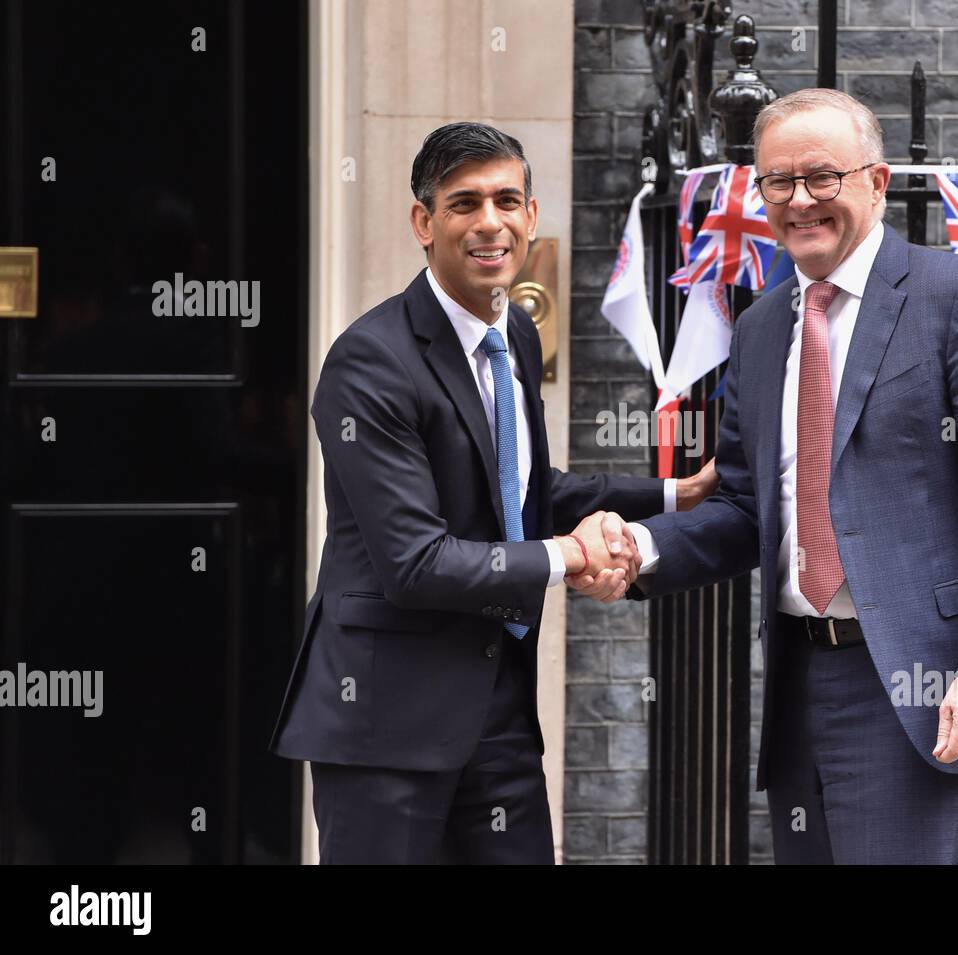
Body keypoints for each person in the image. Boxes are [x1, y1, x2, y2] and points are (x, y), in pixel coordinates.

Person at [576, 89, 958, 864]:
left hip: (918, 685)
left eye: (822, 177)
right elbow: (744, 508)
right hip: (801, 684)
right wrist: (640, 545)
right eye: (778, 181)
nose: (799, 200)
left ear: (876, 180)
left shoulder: (956, 296)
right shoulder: (766, 324)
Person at [268, 122, 717, 864]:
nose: (489, 222)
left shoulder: (516, 334)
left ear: (531, 217)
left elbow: (526, 492)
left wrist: (675, 494)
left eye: (507, 200)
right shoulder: (368, 363)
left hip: (499, 710)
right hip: (387, 723)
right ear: (424, 221)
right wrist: (568, 557)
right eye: (463, 202)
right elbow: (415, 562)